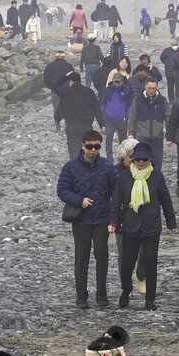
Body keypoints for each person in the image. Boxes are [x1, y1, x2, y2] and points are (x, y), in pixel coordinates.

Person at [110, 143, 177, 310]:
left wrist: (171, 223)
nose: (140, 162)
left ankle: (150, 298)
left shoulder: (157, 177)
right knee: (126, 263)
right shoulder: (125, 177)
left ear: (149, 160)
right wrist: (113, 222)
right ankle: (126, 290)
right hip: (130, 226)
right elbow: (116, 202)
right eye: (137, 159)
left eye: (144, 159)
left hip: (151, 227)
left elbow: (166, 201)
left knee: (150, 264)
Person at [58, 130, 119, 310]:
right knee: (81, 258)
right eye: (90, 146)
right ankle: (81, 296)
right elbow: (62, 190)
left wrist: (113, 217)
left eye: (97, 146)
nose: (93, 150)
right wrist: (79, 201)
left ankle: (102, 295)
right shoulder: (70, 167)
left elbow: (116, 192)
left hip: (101, 219)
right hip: (81, 220)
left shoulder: (108, 167)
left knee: (102, 257)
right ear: (82, 146)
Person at [55, 71, 105, 159]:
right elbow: (96, 109)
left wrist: (65, 76)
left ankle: (75, 170)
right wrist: (102, 124)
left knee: (74, 150)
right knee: (87, 150)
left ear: (71, 81)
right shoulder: (89, 92)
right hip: (86, 126)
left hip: (72, 126)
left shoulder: (66, 92)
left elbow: (55, 87)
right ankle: (87, 169)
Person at [127, 79, 168, 172]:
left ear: (157, 88)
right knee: (143, 161)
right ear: (145, 87)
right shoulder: (138, 100)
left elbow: (168, 117)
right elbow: (132, 117)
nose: (151, 90)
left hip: (157, 137)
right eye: (149, 88)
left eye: (154, 88)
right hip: (143, 137)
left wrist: (169, 135)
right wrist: (131, 133)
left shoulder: (162, 100)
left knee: (157, 162)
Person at [99, 74, 133, 161]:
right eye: (115, 82)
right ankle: (109, 156)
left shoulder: (127, 90)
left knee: (122, 139)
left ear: (122, 81)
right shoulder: (107, 90)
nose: (116, 84)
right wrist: (104, 114)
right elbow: (103, 103)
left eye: (118, 82)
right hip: (109, 118)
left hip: (122, 119)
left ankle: (122, 156)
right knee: (109, 137)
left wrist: (126, 116)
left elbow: (129, 105)